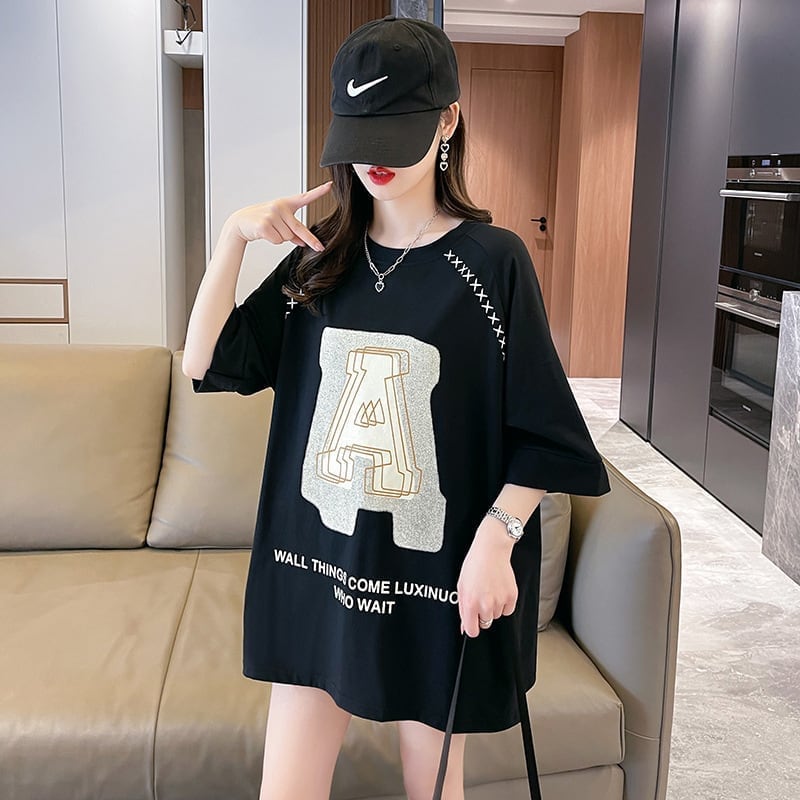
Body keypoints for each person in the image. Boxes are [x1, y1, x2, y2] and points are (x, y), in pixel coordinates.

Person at [182, 14, 611, 800]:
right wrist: (232, 241)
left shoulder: (494, 263)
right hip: (316, 570)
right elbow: (202, 363)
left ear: (448, 121)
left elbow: (547, 435)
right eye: (361, 135)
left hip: (434, 584)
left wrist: (498, 538)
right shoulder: (319, 261)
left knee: (433, 790)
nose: (375, 157)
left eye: (398, 132)